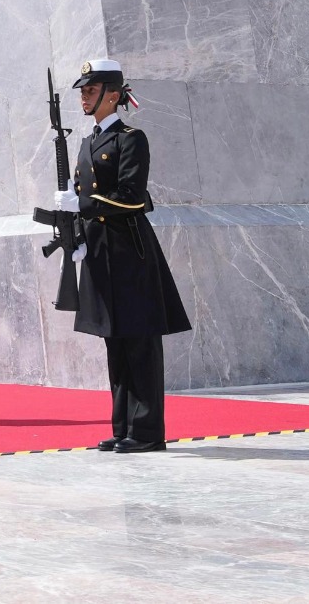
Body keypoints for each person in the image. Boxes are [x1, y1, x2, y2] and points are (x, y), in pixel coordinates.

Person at [57, 59, 191, 452]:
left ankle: (147, 432)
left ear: (112, 95)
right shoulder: (87, 143)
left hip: (130, 252)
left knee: (139, 343)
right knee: (114, 341)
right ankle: (123, 427)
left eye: (91, 89)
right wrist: (74, 232)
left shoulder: (131, 139)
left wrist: (83, 204)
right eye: (82, 90)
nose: (84, 95)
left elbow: (132, 197)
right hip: (99, 253)